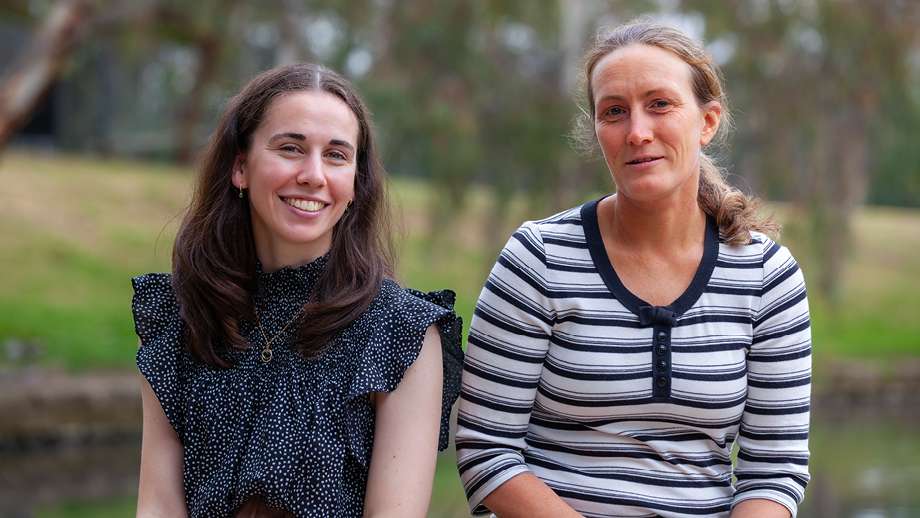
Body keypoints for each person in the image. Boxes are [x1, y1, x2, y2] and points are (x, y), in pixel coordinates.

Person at [455, 19, 811, 518]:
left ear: (707, 122)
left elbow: (775, 470)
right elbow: (485, 448)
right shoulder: (539, 258)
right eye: (614, 112)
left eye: (660, 104)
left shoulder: (767, 276)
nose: (637, 132)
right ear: (597, 130)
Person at [131, 63, 463, 518]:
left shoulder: (401, 332)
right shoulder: (180, 314)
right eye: (291, 148)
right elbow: (157, 504)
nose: (313, 175)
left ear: (355, 185)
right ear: (241, 167)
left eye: (336, 155)